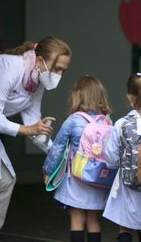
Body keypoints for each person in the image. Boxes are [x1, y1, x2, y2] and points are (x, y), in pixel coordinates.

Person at [0, 37, 72, 241]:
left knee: (7, 181)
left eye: (63, 70)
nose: (59, 75)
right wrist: (28, 129)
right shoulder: (11, 67)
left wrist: (60, 156)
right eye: (57, 68)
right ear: (40, 59)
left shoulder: (36, 82)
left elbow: (34, 124)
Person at [42, 76, 112, 242]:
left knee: (76, 218)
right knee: (94, 220)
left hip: (76, 177)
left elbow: (58, 149)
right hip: (99, 179)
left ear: (77, 96)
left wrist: (48, 171)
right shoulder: (107, 121)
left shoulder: (73, 120)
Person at [103, 73, 141, 242]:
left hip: (127, 183)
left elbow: (111, 159)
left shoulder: (121, 124)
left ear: (129, 95)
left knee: (125, 224)